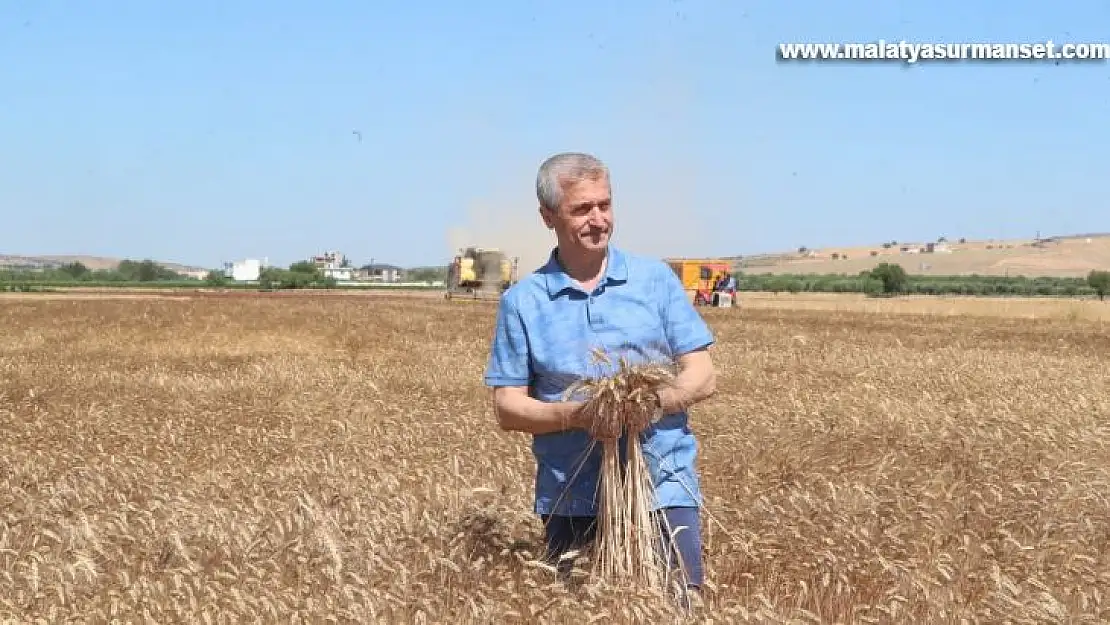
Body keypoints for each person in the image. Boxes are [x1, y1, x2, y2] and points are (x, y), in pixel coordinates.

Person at [483, 151, 718, 592]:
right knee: (578, 611)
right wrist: (580, 415)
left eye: (604, 205)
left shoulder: (655, 281)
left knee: (676, 607)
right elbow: (507, 407)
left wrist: (655, 403)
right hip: (571, 495)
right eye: (581, 209)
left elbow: (703, 373)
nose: (598, 219)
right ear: (548, 216)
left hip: (662, 486)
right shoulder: (524, 302)